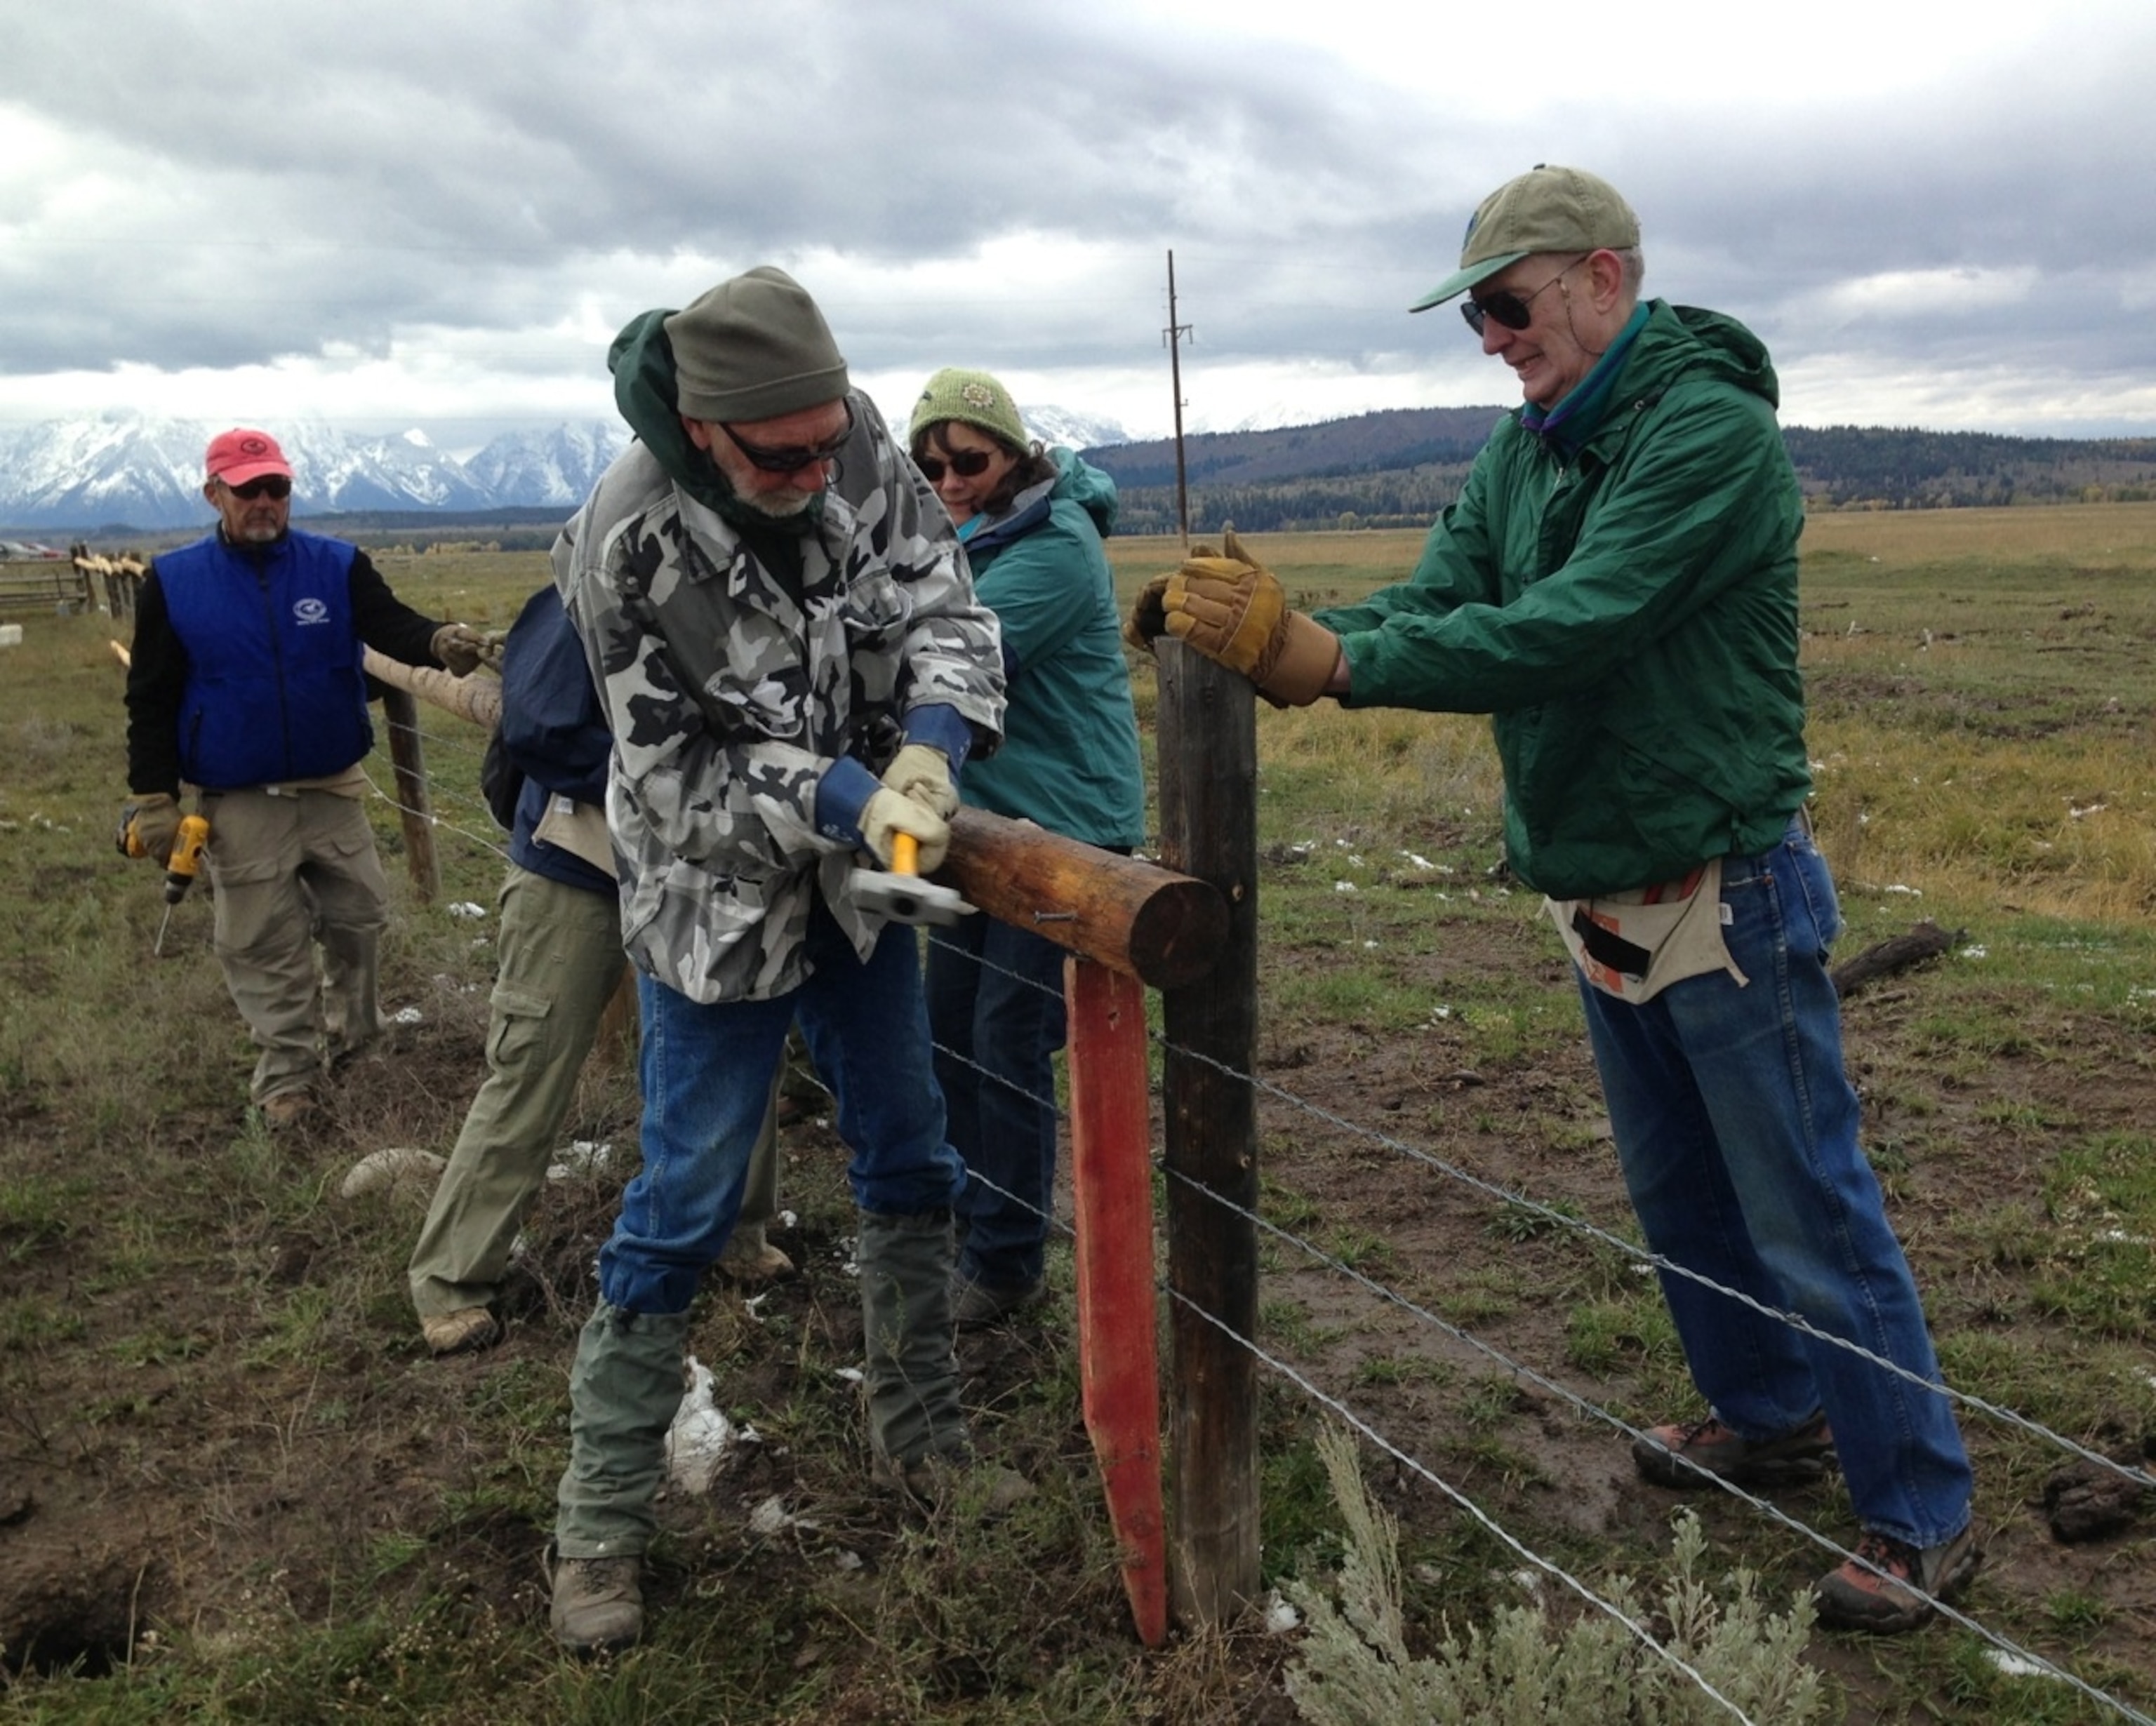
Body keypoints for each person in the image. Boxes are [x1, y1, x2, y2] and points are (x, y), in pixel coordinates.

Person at [1128, 166, 1979, 1635]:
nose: (1491, 337)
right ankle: (1768, 1415)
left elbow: (1576, 626)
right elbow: (1445, 595)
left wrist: (1326, 664)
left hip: (1728, 891)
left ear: (1602, 278)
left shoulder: (1708, 436)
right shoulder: (1523, 453)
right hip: (1601, 889)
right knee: (1682, 1200)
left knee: (1809, 1217)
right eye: (1476, 314)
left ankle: (1921, 1514)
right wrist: (1303, 625)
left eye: (1508, 306)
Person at [544, 267, 1009, 1654]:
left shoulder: (852, 431)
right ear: (704, 429)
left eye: (829, 442)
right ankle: (599, 1526)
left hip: (868, 888)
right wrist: (832, 799)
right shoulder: (624, 539)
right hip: (719, 906)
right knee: (684, 1198)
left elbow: (944, 597)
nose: (821, 469)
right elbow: (673, 777)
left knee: (911, 1154)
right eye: (783, 456)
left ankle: (921, 1441)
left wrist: (931, 742)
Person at [405, 584, 792, 1360]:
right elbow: (543, 724)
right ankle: (451, 1279)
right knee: (533, 1064)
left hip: (703, 868)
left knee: (727, 1050)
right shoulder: (589, 581)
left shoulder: (764, 579)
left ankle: (733, 1230)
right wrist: (680, 791)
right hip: (578, 862)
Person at [123, 428, 486, 1128]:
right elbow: (151, 696)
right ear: (214, 494)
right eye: (247, 489)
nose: (264, 502)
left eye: (276, 488)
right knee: (263, 941)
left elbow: (393, 626)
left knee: (358, 922)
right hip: (239, 797)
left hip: (332, 788)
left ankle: (361, 1052)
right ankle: (286, 1079)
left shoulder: (338, 565)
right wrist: (153, 796)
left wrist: (441, 641)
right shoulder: (173, 583)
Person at [907, 369, 1145, 1326]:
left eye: (969, 460)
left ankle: (1006, 1258)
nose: (951, 480)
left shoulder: (1053, 548)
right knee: (946, 1022)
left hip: (1065, 830)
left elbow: (965, 661)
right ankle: (980, 1216)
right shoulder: (971, 537)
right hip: (988, 825)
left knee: (1006, 1035)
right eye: (931, 465)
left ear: (1015, 455)